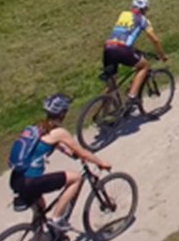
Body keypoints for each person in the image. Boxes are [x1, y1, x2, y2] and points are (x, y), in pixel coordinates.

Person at [10, 93, 111, 233]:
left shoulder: (39, 127)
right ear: (63, 113)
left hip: (17, 179)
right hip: (32, 181)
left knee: (40, 210)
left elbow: (54, 144)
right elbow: (83, 152)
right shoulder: (59, 132)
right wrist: (101, 163)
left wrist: (69, 153)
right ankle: (56, 218)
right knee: (76, 178)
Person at [102, 0, 168, 113]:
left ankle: (104, 115)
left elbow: (123, 32)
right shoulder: (143, 20)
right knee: (144, 66)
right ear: (144, 9)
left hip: (108, 47)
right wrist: (162, 55)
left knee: (112, 85)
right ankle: (132, 95)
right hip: (122, 48)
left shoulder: (123, 14)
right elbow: (155, 40)